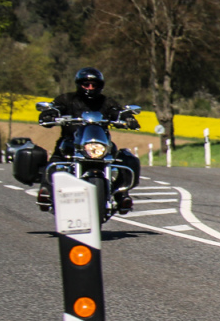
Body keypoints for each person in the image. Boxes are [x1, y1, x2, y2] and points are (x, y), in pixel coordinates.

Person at [37, 67, 142, 213]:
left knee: (123, 158)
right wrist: (50, 113)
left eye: (94, 85)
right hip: (72, 141)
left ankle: (121, 194)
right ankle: (46, 190)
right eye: (86, 84)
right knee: (57, 159)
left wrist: (128, 118)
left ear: (100, 86)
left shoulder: (106, 101)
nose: (90, 88)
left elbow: (117, 111)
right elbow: (57, 107)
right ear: (79, 84)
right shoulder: (67, 99)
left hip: (100, 142)